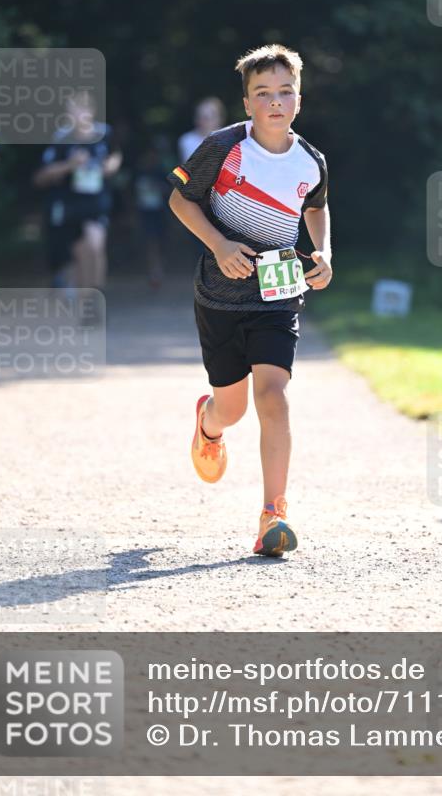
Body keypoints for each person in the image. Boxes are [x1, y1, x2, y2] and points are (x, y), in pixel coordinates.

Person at [167, 45, 332, 557]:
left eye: (285, 92)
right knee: (232, 409)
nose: (275, 102)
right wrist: (219, 245)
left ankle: (273, 514)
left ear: (299, 99)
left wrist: (324, 253)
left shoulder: (311, 160)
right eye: (263, 93)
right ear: (247, 102)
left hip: (278, 295)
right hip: (220, 296)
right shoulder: (223, 146)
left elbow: (316, 208)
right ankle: (208, 424)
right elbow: (179, 200)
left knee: (273, 396)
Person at [33, 91, 122, 302]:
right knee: (81, 255)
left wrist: (111, 166)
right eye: (73, 111)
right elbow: (42, 175)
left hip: (96, 201)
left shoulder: (104, 133)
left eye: (82, 110)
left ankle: (97, 294)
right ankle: (86, 300)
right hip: (71, 203)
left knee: (95, 245)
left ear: (91, 111)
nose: (77, 115)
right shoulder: (62, 138)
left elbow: (116, 155)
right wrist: (70, 165)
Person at [134, 140, 172, 287]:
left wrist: (159, 187)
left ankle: (160, 266)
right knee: (151, 241)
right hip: (144, 211)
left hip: (160, 211)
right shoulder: (137, 172)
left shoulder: (161, 171)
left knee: (162, 240)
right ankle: (154, 270)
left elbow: (171, 191)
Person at [177, 97, 226, 164]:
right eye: (199, 117)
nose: (202, 122)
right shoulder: (187, 140)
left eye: (207, 118)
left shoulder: (232, 142)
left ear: (220, 119)